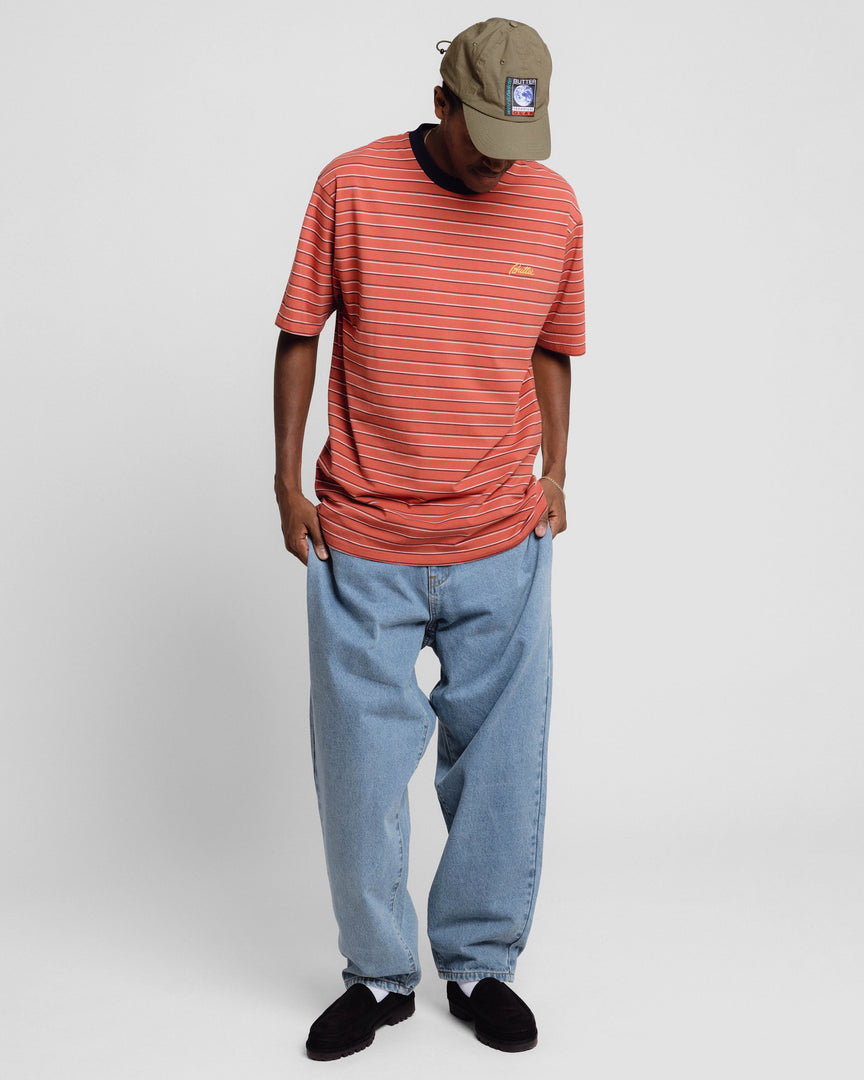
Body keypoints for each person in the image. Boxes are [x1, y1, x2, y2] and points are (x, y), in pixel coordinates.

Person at [273, 17, 585, 1061]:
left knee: (502, 768)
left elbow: (553, 344)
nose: (502, 166)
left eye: (519, 144)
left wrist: (557, 473)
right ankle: (377, 977)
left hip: (501, 538)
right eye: (484, 138)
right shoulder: (352, 187)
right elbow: (300, 332)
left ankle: (480, 963)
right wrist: (283, 481)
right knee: (361, 772)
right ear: (443, 102)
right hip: (365, 536)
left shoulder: (553, 205)